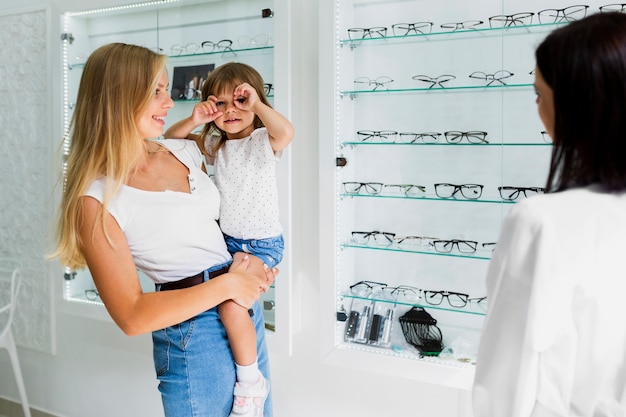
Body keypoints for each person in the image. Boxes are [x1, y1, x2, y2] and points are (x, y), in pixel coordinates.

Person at [50, 43, 277, 417]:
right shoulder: (96, 199)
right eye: (156, 91)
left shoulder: (183, 152)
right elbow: (132, 315)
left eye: (166, 89)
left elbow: (212, 232)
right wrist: (228, 285)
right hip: (193, 331)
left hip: (241, 310)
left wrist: (251, 267)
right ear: (120, 96)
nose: (169, 102)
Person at [473, 12, 626, 417]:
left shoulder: (543, 223)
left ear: (582, 107)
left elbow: (506, 394)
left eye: (540, 94)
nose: (536, 108)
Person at [165, 62, 293, 417]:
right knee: (220, 308)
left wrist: (258, 105)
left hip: (261, 244)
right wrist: (194, 118)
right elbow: (173, 141)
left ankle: (252, 383)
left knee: (230, 306)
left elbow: (286, 131)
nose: (231, 110)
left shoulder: (262, 141)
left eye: (240, 101)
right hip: (228, 244)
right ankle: (244, 374)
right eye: (220, 104)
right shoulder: (213, 144)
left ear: (254, 102)